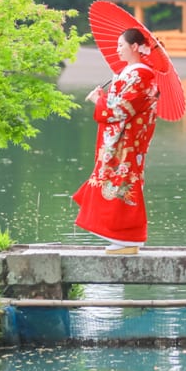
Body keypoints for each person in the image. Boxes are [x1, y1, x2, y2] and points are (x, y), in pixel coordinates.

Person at [74, 27, 163, 254]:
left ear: (135, 46)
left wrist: (99, 100)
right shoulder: (130, 73)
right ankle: (123, 238)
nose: (117, 49)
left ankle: (128, 237)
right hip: (122, 140)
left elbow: (122, 109)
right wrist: (105, 96)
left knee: (122, 184)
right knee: (114, 183)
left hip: (127, 142)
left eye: (121, 45)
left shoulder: (142, 74)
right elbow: (120, 102)